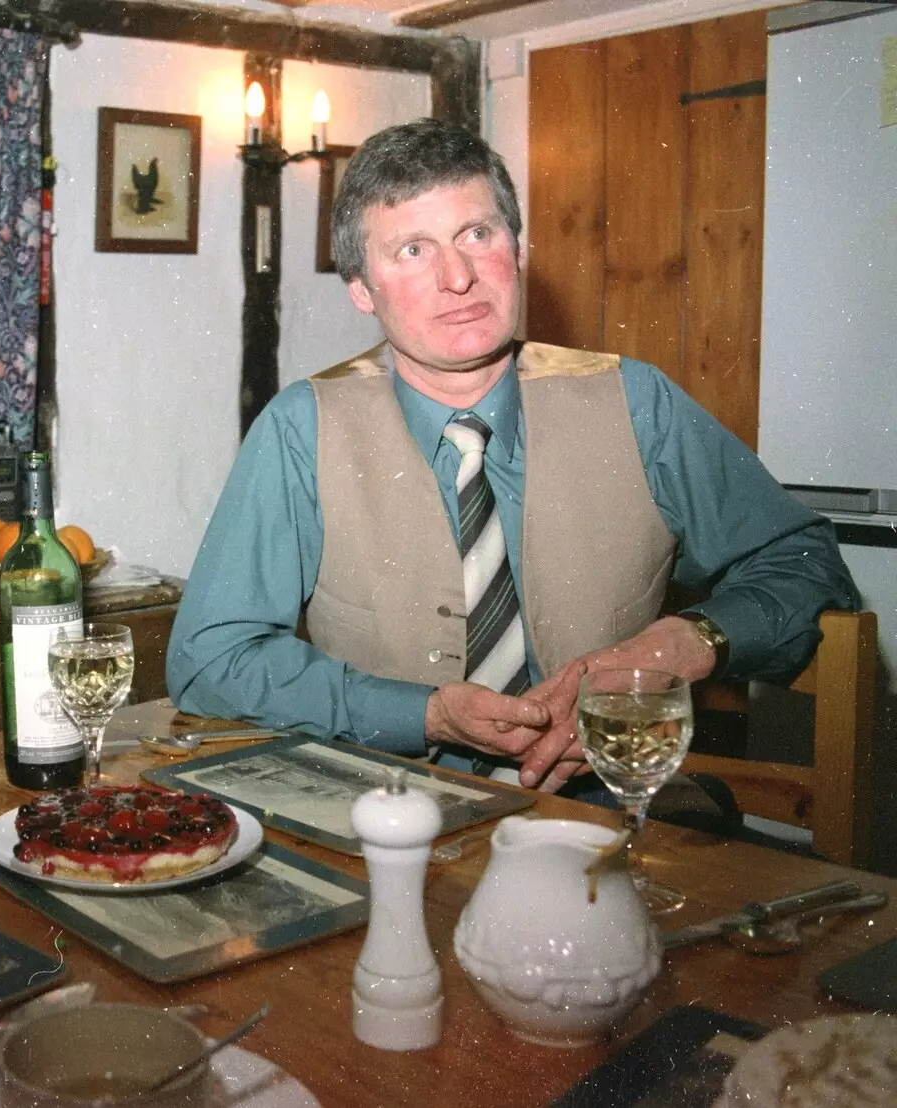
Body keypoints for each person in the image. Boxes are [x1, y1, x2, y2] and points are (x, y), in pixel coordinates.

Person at [166, 118, 856, 793]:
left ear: (518, 250)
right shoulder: (301, 427)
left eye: (477, 233)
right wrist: (425, 714)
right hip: (385, 810)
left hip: (605, 810)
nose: (458, 277)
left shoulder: (637, 401)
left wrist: (684, 642)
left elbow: (806, 563)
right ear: (360, 289)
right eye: (412, 250)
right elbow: (209, 660)